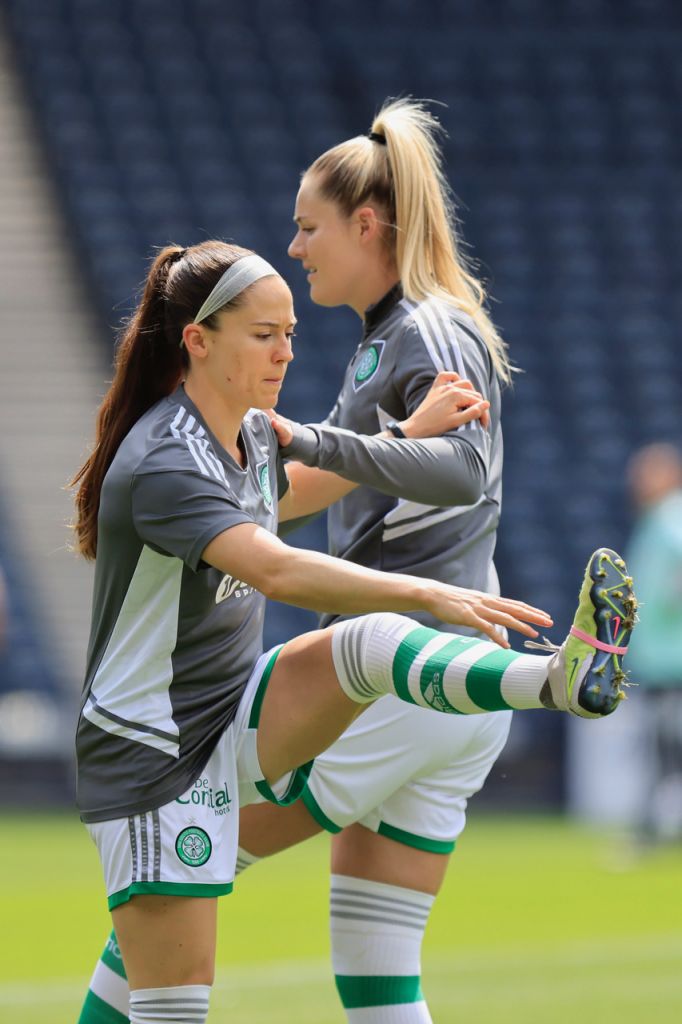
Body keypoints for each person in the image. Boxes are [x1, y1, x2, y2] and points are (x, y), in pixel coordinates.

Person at [71, 238, 635, 1024]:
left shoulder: (250, 433)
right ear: (197, 340)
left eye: (290, 333)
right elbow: (276, 569)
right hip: (154, 750)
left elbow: (293, 493)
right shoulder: (166, 459)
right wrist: (427, 591)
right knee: (170, 1005)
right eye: (263, 335)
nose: (285, 353)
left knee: (369, 644)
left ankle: (555, 680)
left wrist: (405, 434)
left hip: (225, 710)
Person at [623, 442, 682, 843]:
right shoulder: (654, 519)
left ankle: (648, 832)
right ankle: (650, 830)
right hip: (659, 660)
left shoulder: (670, 518)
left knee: (665, 748)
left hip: (672, 661)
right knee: (661, 750)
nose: (639, 481)